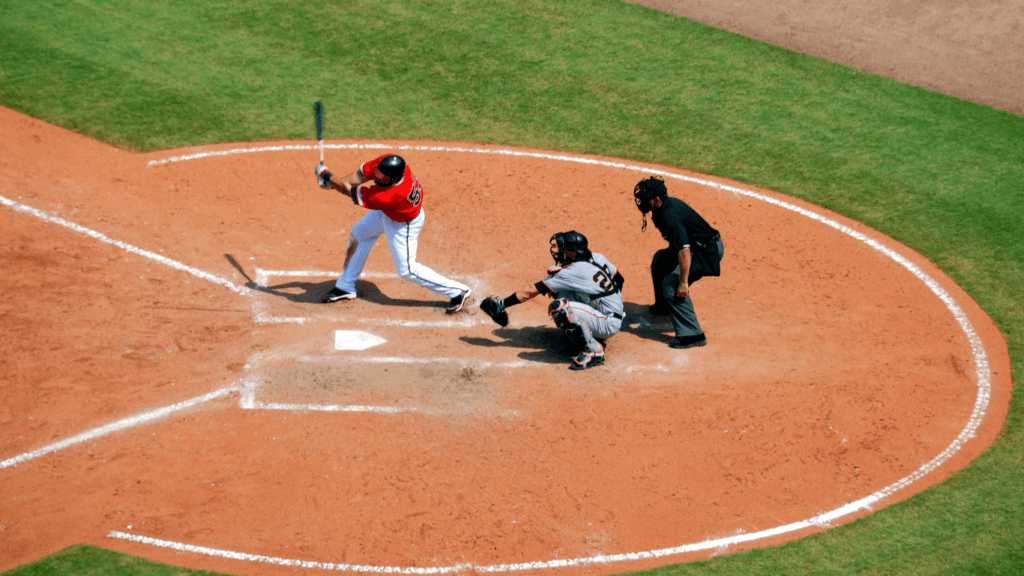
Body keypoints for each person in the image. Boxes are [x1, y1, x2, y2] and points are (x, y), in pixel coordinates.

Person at [314, 154, 471, 313]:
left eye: (382, 177)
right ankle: (345, 286)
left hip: (403, 224)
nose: (377, 176)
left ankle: (458, 291)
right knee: (360, 233)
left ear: (392, 179)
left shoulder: (391, 195)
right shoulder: (389, 164)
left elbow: (349, 190)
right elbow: (360, 175)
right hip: (389, 212)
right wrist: (333, 182)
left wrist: (326, 175)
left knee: (407, 271)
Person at [480, 231, 625, 370]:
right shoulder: (597, 257)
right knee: (559, 291)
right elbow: (619, 279)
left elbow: (533, 290)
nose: (557, 250)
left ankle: (595, 351)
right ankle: (592, 329)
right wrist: (610, 302)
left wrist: (502, 304)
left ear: (571, 251)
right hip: (609, 313)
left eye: (562, 248)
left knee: (560, 308)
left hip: (608, 323)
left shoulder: (574, 270)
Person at [633, 175, 724, 349]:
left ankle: (692, 334)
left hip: (706, 251)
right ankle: (664, 307)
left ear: (657, 199)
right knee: (660, 261)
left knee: (672, 284)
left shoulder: (670, 215)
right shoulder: (661, 209)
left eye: (646, 198)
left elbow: (684, 250)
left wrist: (683, 282)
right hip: (694, 247)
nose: (642, 201)